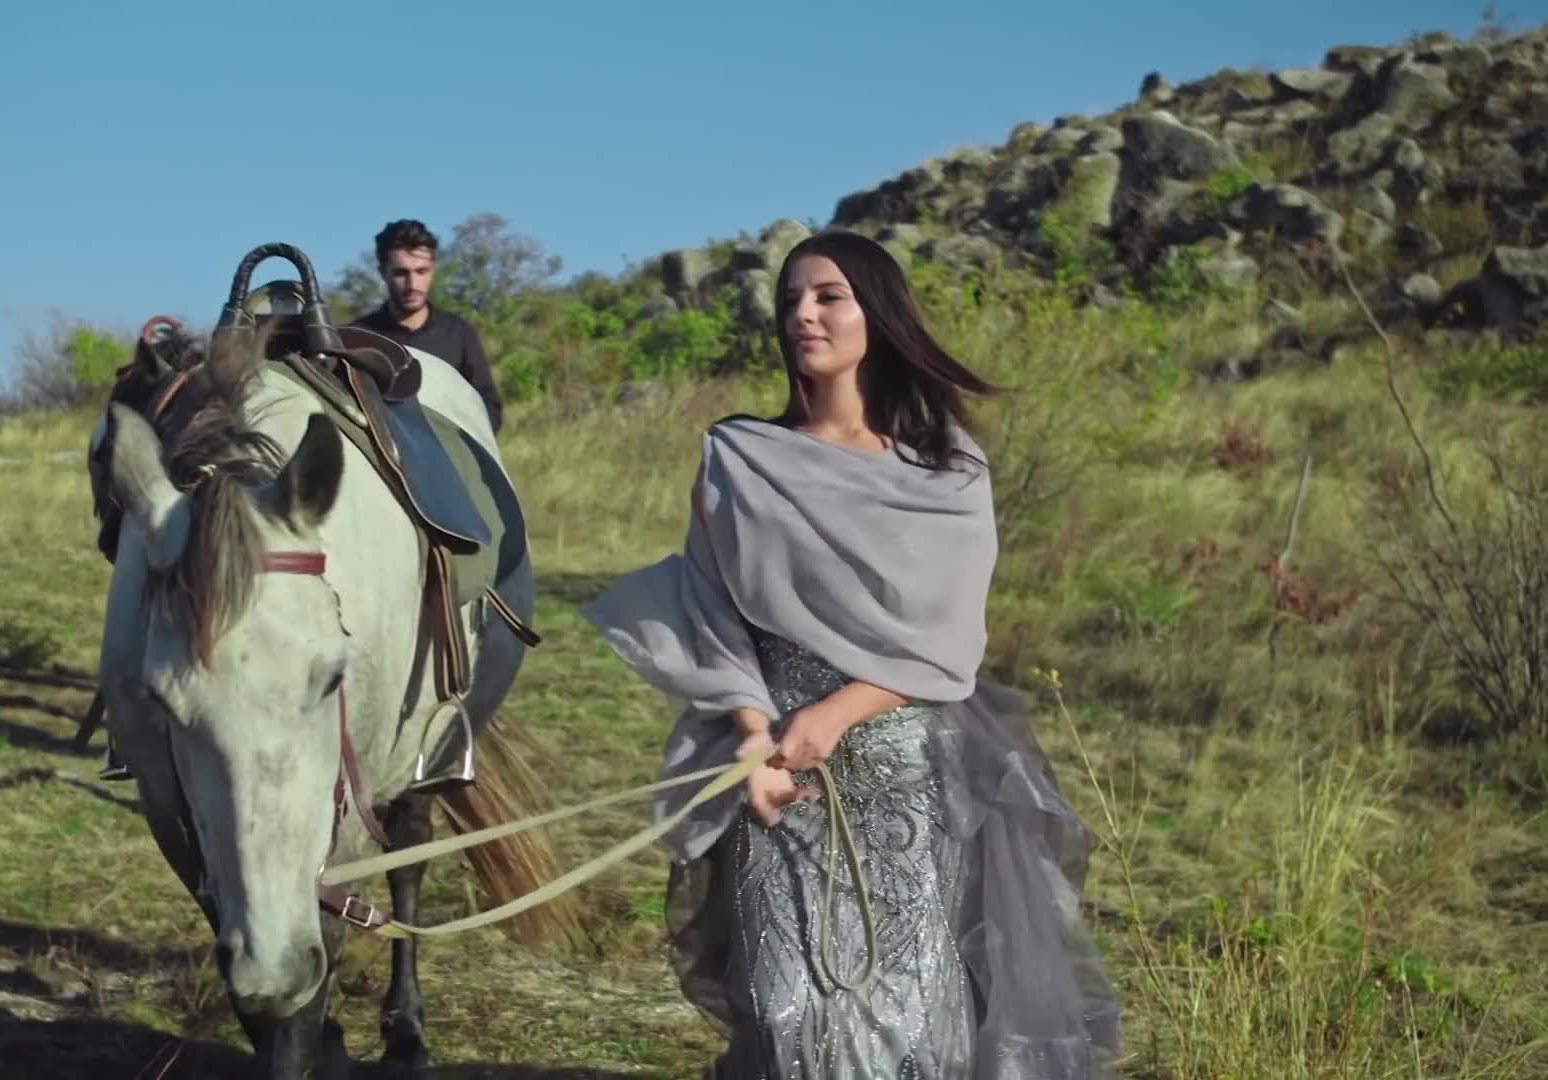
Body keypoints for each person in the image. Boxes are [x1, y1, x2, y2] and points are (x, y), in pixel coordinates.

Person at [583, 231, 1121, 1078]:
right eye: (791, 299)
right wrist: (751, 735)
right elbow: (710, 605)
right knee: (784, 1008)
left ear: (878, 314)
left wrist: (837, 713)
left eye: (828, 296)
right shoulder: (738, 457)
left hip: (906, 773)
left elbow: (950, 637)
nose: (803, 313)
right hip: (775, 774)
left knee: (910, 1017)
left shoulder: (948, 470)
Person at [351, 218, 505, 432]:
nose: (412, 284)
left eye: (421, 271)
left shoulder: (459, 334)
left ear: (433, 269)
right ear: (383, 272)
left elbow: (488, 407)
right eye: (401, 273)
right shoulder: (358, 338)